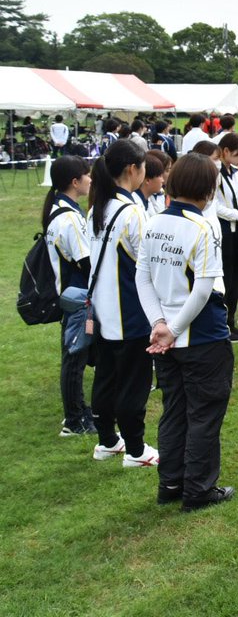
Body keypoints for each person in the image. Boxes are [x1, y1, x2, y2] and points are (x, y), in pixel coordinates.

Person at [136, 153, 235, 512]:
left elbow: (142, 277)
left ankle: (171, 483)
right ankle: (198, 490)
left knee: (174, 409)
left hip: (167, 334)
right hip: (201, 336)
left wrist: (159, 324)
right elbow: (204, 287)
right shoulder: (204, 227)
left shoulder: (152, 223)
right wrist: (170, 328)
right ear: (209, 189)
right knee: (204, 413)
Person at [87, 139, 158, 468]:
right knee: (133, 383)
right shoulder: (131, 211)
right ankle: (135, 449)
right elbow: (147, 264)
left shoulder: (96, 207)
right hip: (130, 312)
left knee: (106, 378)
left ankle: (107, 441)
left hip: (102, 311)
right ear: (134, 169)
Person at [44, 155, 94, 436]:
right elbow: (85, 261)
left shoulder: (59, 210)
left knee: (75, 357)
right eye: (87, 175)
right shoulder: (70, 219)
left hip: (71, 296)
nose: (90, 180)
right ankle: (74, 421)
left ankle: (80, 412)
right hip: (76, 299)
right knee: (74, 360)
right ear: (75, 182)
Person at [215, 134, 238, 342]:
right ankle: (224, 325)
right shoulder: (216, 172)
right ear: (226, 152)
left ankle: (231, 322)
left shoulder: (236, 172)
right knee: (227, 278)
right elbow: (215, 205)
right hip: (225, 230)